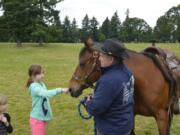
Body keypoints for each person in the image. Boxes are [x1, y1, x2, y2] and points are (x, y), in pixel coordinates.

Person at [85, 39, 134, 135]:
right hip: (125, 125)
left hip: (111, 129)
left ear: (111, 59)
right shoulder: (127, 72)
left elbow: (95, 108)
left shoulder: (108, 81)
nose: (99, 58)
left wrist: (88, 102)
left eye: (102, 56)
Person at [26, 64, 69, 135]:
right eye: (39, 73)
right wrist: (60, 90)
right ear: (33, 75)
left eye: (43, 72)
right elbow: (46, 93)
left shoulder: (41, 84)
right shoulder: (34, 87)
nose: (42, 75)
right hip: (37, 119)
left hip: (41, 118)